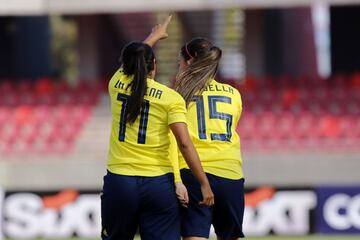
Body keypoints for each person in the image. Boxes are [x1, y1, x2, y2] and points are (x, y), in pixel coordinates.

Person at [101, 17, 214, 240]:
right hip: (157, 185)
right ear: (154, 65)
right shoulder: (169, 98)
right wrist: (203, 182)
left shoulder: (116, 84)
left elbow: (133, 61)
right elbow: (183, 142)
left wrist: (153, 37)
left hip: (120, 181)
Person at [173, 37, 245, 240]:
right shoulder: (234, 94)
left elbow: (177, 140)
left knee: (194, 235)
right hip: (230, 174)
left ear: (188, 61)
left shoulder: (178, 95)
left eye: (179, 61)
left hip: (193, 174)